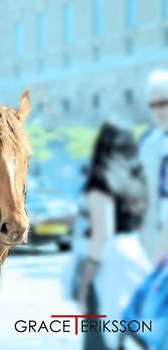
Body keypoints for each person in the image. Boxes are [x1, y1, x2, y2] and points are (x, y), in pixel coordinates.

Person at [76, 122, 152, 350]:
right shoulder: (136, 180)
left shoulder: (100, 179)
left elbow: (103, 236)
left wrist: (85, 282)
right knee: (137, 330)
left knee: (100, 336)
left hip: (109, 263)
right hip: (135, 254)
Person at [140, 70, 168, 266]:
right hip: (153, 241)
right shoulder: (148, 144)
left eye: (164, 103)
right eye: (153, 105)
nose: (159, 110)